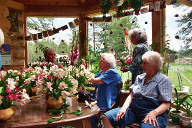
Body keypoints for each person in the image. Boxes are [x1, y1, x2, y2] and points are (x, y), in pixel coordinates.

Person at [102, 51, 172, 128]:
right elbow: (131, 95)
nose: (142, 65)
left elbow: (166, 103)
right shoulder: (140, 77)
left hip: (152, 111)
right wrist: (124, 108)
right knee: (106, 117)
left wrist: (154, 112)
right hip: (133, 110)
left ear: (153, 65)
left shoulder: (164, 80)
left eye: (145, 63)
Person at [88, 53, 122, 127]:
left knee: (87, 114)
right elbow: (93, 79)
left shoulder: (112, 72)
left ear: (108, 63)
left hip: (105, 102)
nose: (99, 62)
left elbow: (96, 80)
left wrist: (85, 74)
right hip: (96, 99)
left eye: (102, 60)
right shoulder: (102, 71)